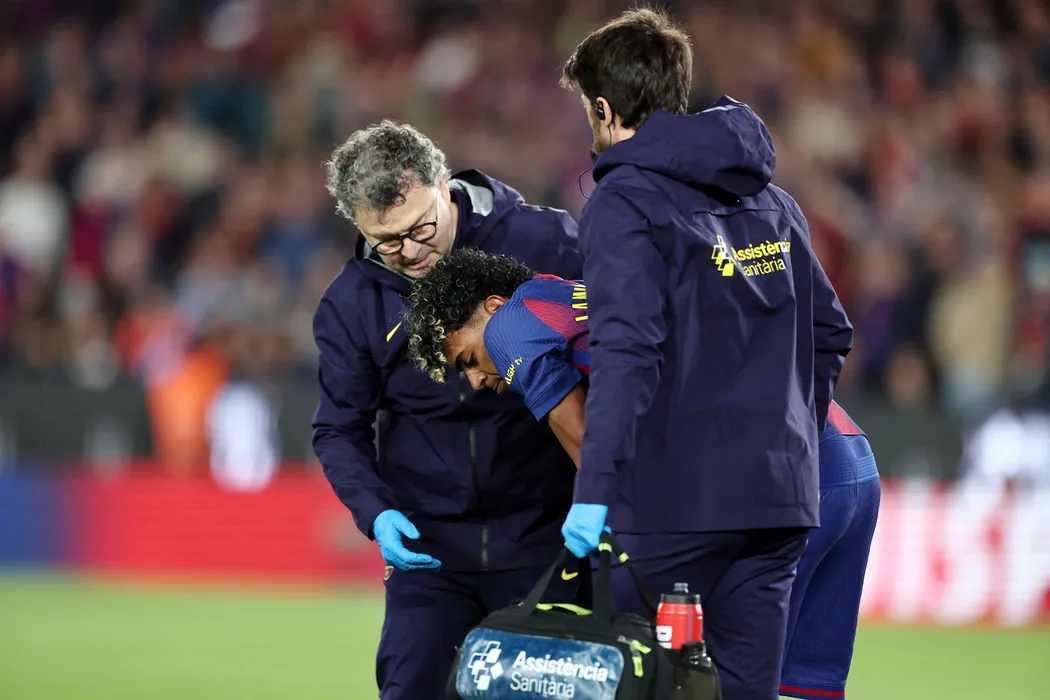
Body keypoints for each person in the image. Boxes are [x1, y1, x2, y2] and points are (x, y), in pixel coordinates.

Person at [403, 249, 879, 700]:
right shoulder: (561, 294)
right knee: (798, 684)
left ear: (493, 305)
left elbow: (585, 443)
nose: (475, 381)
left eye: (467, 359)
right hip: (848, 457)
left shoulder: (510, 324)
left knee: (701, 672)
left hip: (779, 474)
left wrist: (605, 511)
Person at [556, 9, 855, 700]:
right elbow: (831, 332)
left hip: (672, 504)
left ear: (604, 110)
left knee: (624, 684)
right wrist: (787, 440)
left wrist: (593, 493)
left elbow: (628, 352)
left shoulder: (624, 200)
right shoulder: (772, 199)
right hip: (776, 504)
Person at [313, 121, 585, 700]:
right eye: (387, 242)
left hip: (549, 540)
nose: (410, 252)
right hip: (430, 553)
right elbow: (338, 428)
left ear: (444, 184)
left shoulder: (545, 241)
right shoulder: (351, 303)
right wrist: (376, 513)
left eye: (420, 228)